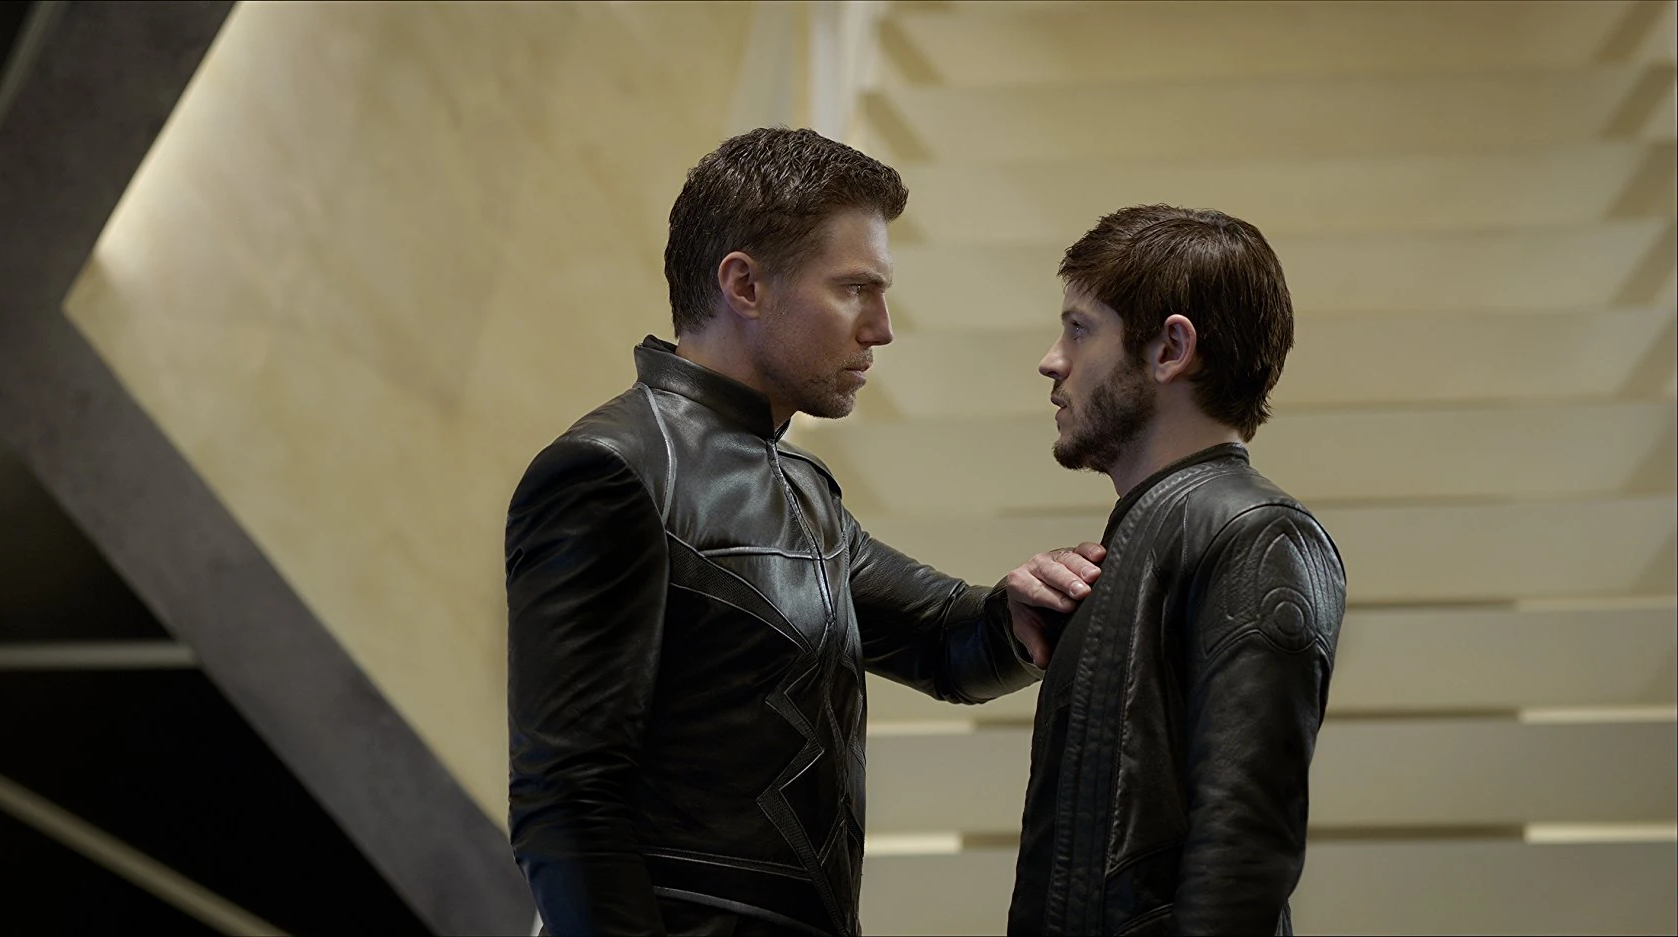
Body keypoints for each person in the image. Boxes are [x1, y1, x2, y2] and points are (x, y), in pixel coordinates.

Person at [504, 127, 1104, 937]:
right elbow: (566, 800)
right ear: (744, 284)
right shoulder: (611, 468)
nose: (880, 328)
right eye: (855, 289)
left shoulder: (800, 485)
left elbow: (942, 637)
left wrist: (1026, 608)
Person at [1007, 205, 1347, 936]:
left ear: (1170, 349)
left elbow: (1242, 851)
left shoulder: (1258, 535)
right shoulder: (1158, 531)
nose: (1052, 360)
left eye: (1078, 329)